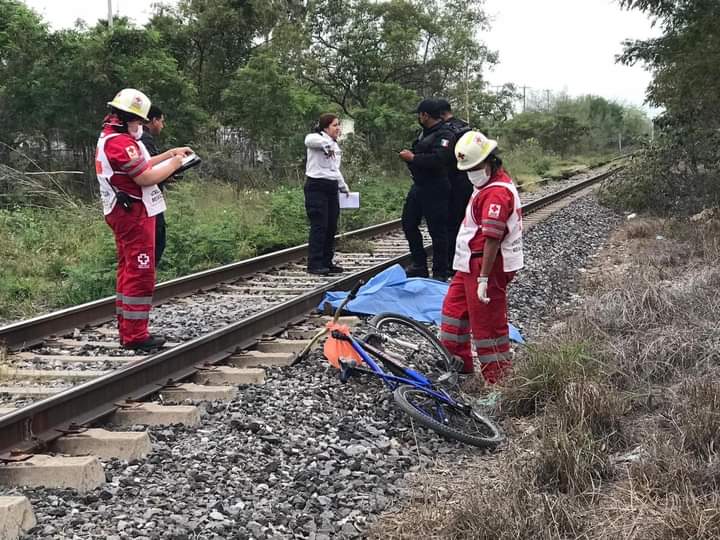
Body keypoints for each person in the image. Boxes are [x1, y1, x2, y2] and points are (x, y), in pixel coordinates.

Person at [96, 88, 192, 350]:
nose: (141, 126)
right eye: (139, 121)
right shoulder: (120, 143)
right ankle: (136, 335)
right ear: (130, 118)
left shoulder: (115, 137)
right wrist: (175, 165)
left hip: (128, 211)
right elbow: (145, 177)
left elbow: (144, 163)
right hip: (132, 214)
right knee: (140, 272)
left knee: (128, 269)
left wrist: (171, 154)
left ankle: (128, 329)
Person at [439, 131, 524, 383]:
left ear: (489, 161)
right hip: (469, 264)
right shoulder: (486, 186)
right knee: (453, 313)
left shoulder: (496, 193)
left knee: (488, 326)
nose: (471, 173)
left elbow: (492, 238)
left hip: (485, 264)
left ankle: (497, 382)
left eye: (475, 167)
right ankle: (459, 365)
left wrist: (484, 278)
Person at [399, 98, 456, 281]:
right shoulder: (424, 133)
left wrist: (413, 158)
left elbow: (439, 159)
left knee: (437, 231)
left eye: (419, 114)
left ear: (425, 115)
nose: (418, 117)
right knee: (408, 223)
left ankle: (440, 272)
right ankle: (419, 264)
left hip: (436, 186)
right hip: (419, 185)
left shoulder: (445, 134)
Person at [304, 113, 350, 275]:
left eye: (339, 125)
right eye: (334, 125)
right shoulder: (316, 139)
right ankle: (314, 263)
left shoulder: (335, 145)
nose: (338, 128)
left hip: (331, 186)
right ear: (325, 127)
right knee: (319, 225)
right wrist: (326, 144)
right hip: (316, 186)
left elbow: (334, 169)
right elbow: (309, 140)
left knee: (331, 225)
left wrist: (343, 187)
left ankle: (326, 261)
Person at [437, 99, 472, 271]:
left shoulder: (446, 131)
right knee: (464, 221)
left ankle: (452, 262)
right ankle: (464, 258)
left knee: (450, 223)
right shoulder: (466, 127)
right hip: (468, 179)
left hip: (452, 180)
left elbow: (444, 158)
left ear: (442, 114)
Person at [140, 105, 168, 267]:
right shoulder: (144, 139)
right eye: (161, 121)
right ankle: (148, 278)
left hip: (147, 201)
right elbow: (148, 170)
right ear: (154, 120)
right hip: (149, 201)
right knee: (157, 241)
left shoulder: (139, 137)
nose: (162, 126)